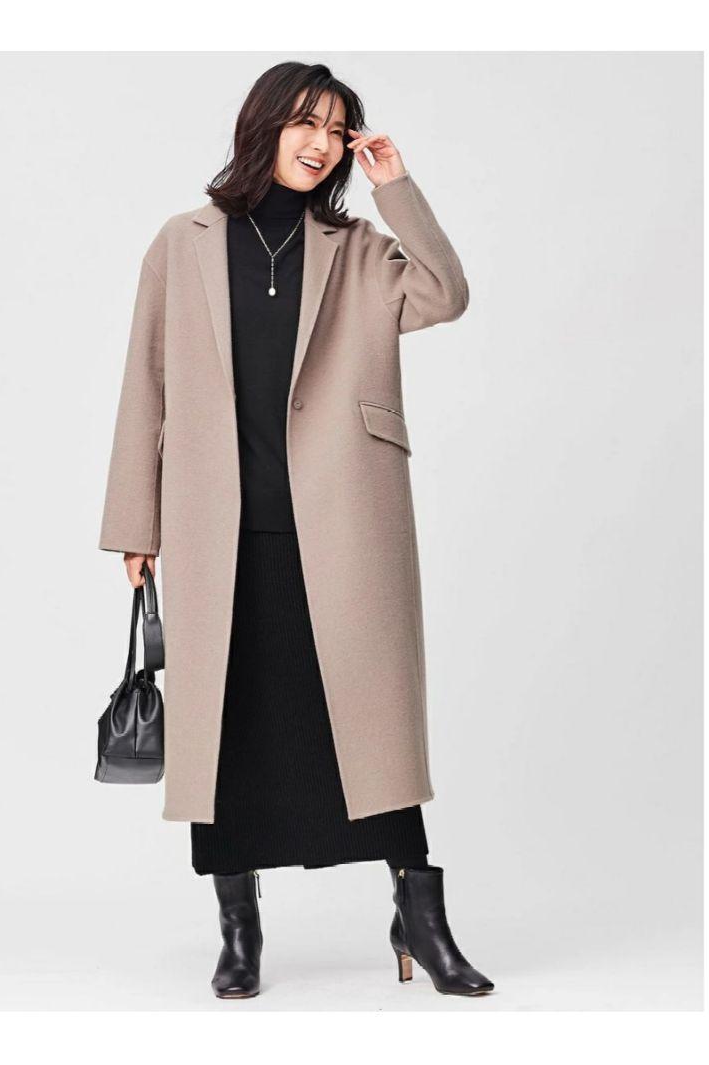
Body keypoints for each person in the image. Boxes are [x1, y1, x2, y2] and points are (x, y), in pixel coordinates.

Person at [98, 61, 493, 999]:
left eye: (336, 128)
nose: (320, 143)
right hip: (219, 525)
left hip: (346, 518)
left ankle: (420, 916)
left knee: (369, 720)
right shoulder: (183, 242)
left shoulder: (357, 249)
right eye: (303, 122)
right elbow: (144, 382)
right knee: (228, 726)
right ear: (263, 125)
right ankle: (239, 930)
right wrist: (135, 522)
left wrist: (396, 186)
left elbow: (445, 294)